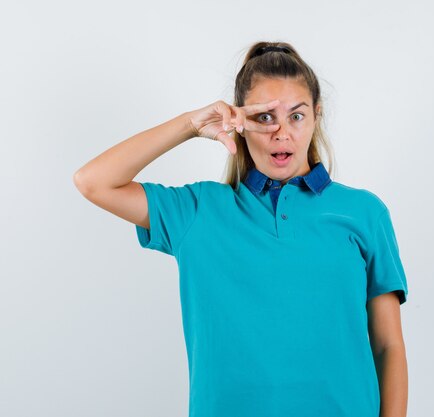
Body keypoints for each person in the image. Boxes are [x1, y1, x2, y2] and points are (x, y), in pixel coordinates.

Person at [74, 41, 409, 417]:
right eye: (264, 118)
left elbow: (388, 346)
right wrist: (190, 125)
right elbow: (94, 182)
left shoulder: (363, 212)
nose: (281, 133)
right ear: (240, 123)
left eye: (296, 116)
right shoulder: (198, 212)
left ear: (317, 116)